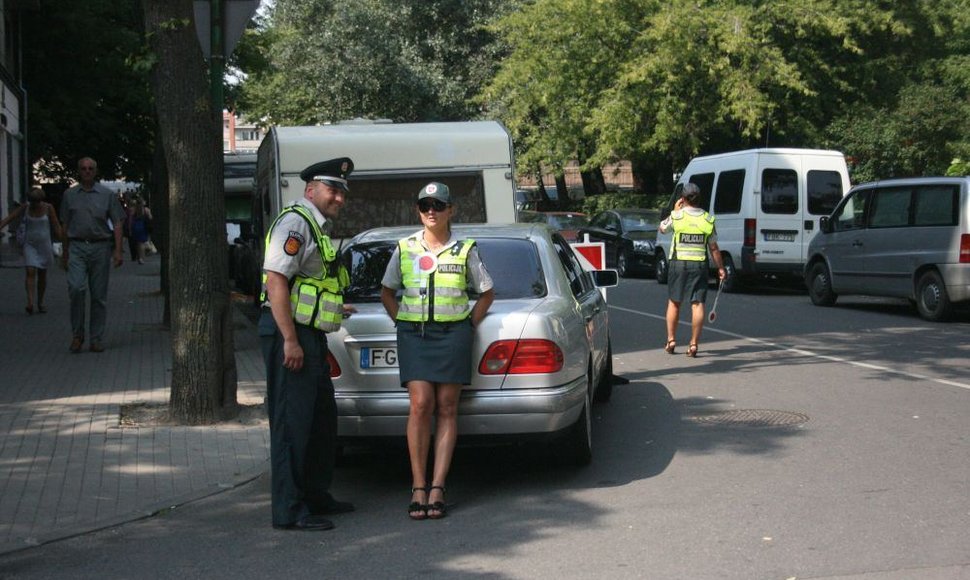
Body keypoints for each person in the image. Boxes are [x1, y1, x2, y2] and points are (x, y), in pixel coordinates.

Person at [379, 182, 495, 520]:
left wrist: (468, 325)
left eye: (438, 205)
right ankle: (418, 485)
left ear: (451, 210)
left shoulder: (465, 249)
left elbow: (486, 293)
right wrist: (402, 322)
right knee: (420, 405)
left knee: (447, 407)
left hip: (454, 335)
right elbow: (387, 292)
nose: (432, 210)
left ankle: (438, 486)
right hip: (415, 335)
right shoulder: (404, 248)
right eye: (425, 205)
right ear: (418, 210)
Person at [258, 157, 357, 532]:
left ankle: (315, 495)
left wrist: (334, 306)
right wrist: (289, 340)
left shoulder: (316, 225)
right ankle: (289, 509)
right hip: (291, 335)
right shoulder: (295, 223)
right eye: (333, 190)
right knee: (292, 424)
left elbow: (307, 286)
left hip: (308, 334)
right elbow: (276, 280)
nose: (339, 198)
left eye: (342, 192)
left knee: (319, 422)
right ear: (310, 189)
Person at [59, 158, 125, 353]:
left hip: (100, 247)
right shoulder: (70, 195)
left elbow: (118, 222)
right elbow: (64, 224)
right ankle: (77, 335)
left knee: (98, 296)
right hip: (77, 247)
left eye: (90, 169)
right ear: (79, 171)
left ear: (95, 172)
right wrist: (65, 251)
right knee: (76, 289)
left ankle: (96, 338)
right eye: (83, 169)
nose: (87, 171)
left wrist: (118, 250)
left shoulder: (107, 195)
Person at [658, 183, 726, 358]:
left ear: (683, 198)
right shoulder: (707, 219)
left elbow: (662, 228)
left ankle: (671, 340)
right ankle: (694, 344)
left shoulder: (677, 216)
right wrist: (720, 268)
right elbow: (714, 248)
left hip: (678, 264)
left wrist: (674, 210)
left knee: (674, 302)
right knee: (697, 304)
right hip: (699, 266)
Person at [0, 187, 65, 314]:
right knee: (30, 271)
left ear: (41, 200)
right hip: (30, 244)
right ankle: (30, 302)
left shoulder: (48, 208)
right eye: (32, 201)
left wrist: (65, 243)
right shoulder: (26, 207)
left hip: (44, 245)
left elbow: (56, 225)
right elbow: (10, 218)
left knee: (42, 274)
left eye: (36, 201)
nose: (34, 204)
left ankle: (40, 302)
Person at [125, 197, 153, 264]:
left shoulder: (134, 209)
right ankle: (142, 257)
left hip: (135, 226)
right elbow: (150, 218)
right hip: (143, 226)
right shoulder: (146, 209)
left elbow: (130, 219)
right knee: (142, 243)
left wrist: (130, 228)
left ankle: (139, 257)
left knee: (138, 243)